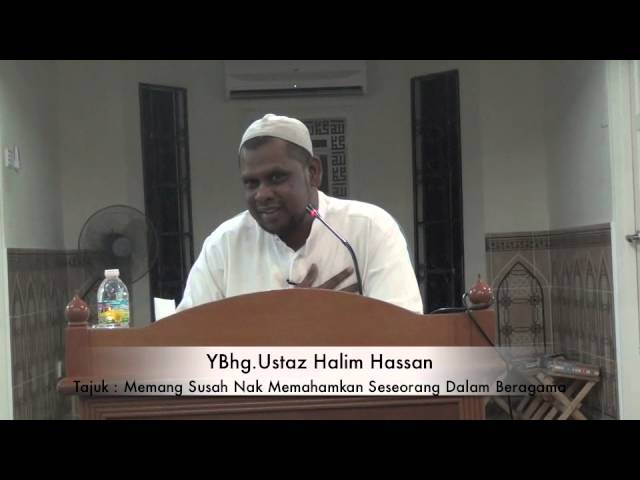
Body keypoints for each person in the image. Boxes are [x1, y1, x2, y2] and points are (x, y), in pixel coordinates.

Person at [176, 113, 423, 313]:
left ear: (313, 172)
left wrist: (319, 328)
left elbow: (406, 336)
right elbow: (183, 343)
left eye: (276, 177)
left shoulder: (369, 228)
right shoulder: (224, 245)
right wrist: (283, 322)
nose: (262, 194)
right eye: (251, 183)